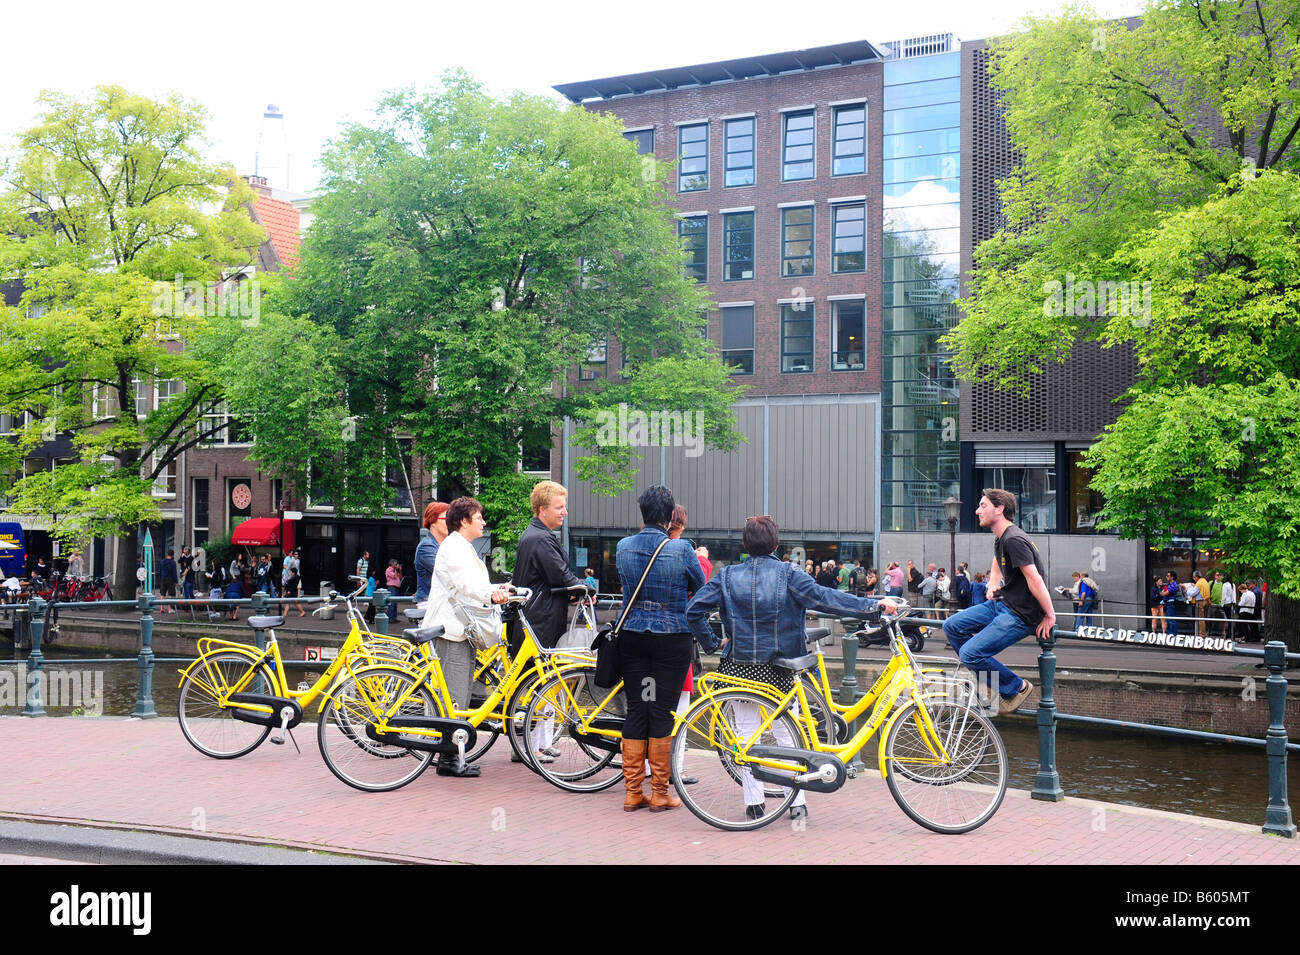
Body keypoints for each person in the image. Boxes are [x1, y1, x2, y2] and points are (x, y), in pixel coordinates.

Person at [687, 515, 899, 822]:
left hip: (738, 666)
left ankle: (754, 803)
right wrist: (873, 605)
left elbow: (693, 611)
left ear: (745, 545)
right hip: (779, 667)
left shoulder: (727, 575)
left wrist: (713, 643)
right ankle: (796, 802)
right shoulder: (789, 574)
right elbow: (827, 600)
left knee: (745, 736)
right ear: (776, 543)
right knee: (788, 734)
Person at [614, 485, 704, 813]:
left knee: (638, 709)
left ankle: (632, 791)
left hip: (633, 637)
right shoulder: (681, 550)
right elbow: (701, 591)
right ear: (669, 518)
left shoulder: (623, 547)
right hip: (671, 638)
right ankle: (661, 793)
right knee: (663, 712)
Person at [941, 489, 1054, 716]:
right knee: (951, 626)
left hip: (1020, 614)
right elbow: (997, 560)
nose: (977, 510)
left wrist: (1050, 615)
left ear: (999, 509)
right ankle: (984, 677)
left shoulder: (1014, 540)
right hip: (1002, 604)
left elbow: (1035, 579)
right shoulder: (1002, 537)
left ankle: (1016, 688)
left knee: (970, 654)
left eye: (983, 505)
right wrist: (993, 583)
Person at [422, 497, 512, 778]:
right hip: (451, 631)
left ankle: (451, 754)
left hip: (460, 630)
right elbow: (466, 585)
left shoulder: (462, 546)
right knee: (453, 695)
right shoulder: (455, 548)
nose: (483, 522)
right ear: (464, 521)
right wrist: (491, 594)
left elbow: (475, 584)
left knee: (457, 693)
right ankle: (448, 760)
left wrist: (502, 587)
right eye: (479, 517)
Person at [413, 500, 450, 604]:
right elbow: (447, 572)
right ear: (433, 522)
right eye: (446, 519)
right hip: (429, 605)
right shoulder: (426, 546)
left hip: (441, 603)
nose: (450, 523)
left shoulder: (445, 546)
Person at [282, 548, 305, 616]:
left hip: (296, 578)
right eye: (295, 554)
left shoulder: (298, 561)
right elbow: (287, 569)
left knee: (293, 597)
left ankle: (285, 614)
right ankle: (285, 614)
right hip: (293, 579)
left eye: (297, 554)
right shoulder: (292, 561)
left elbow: (298, 570)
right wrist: (290, 577)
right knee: (290, 600)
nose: (296, 555)